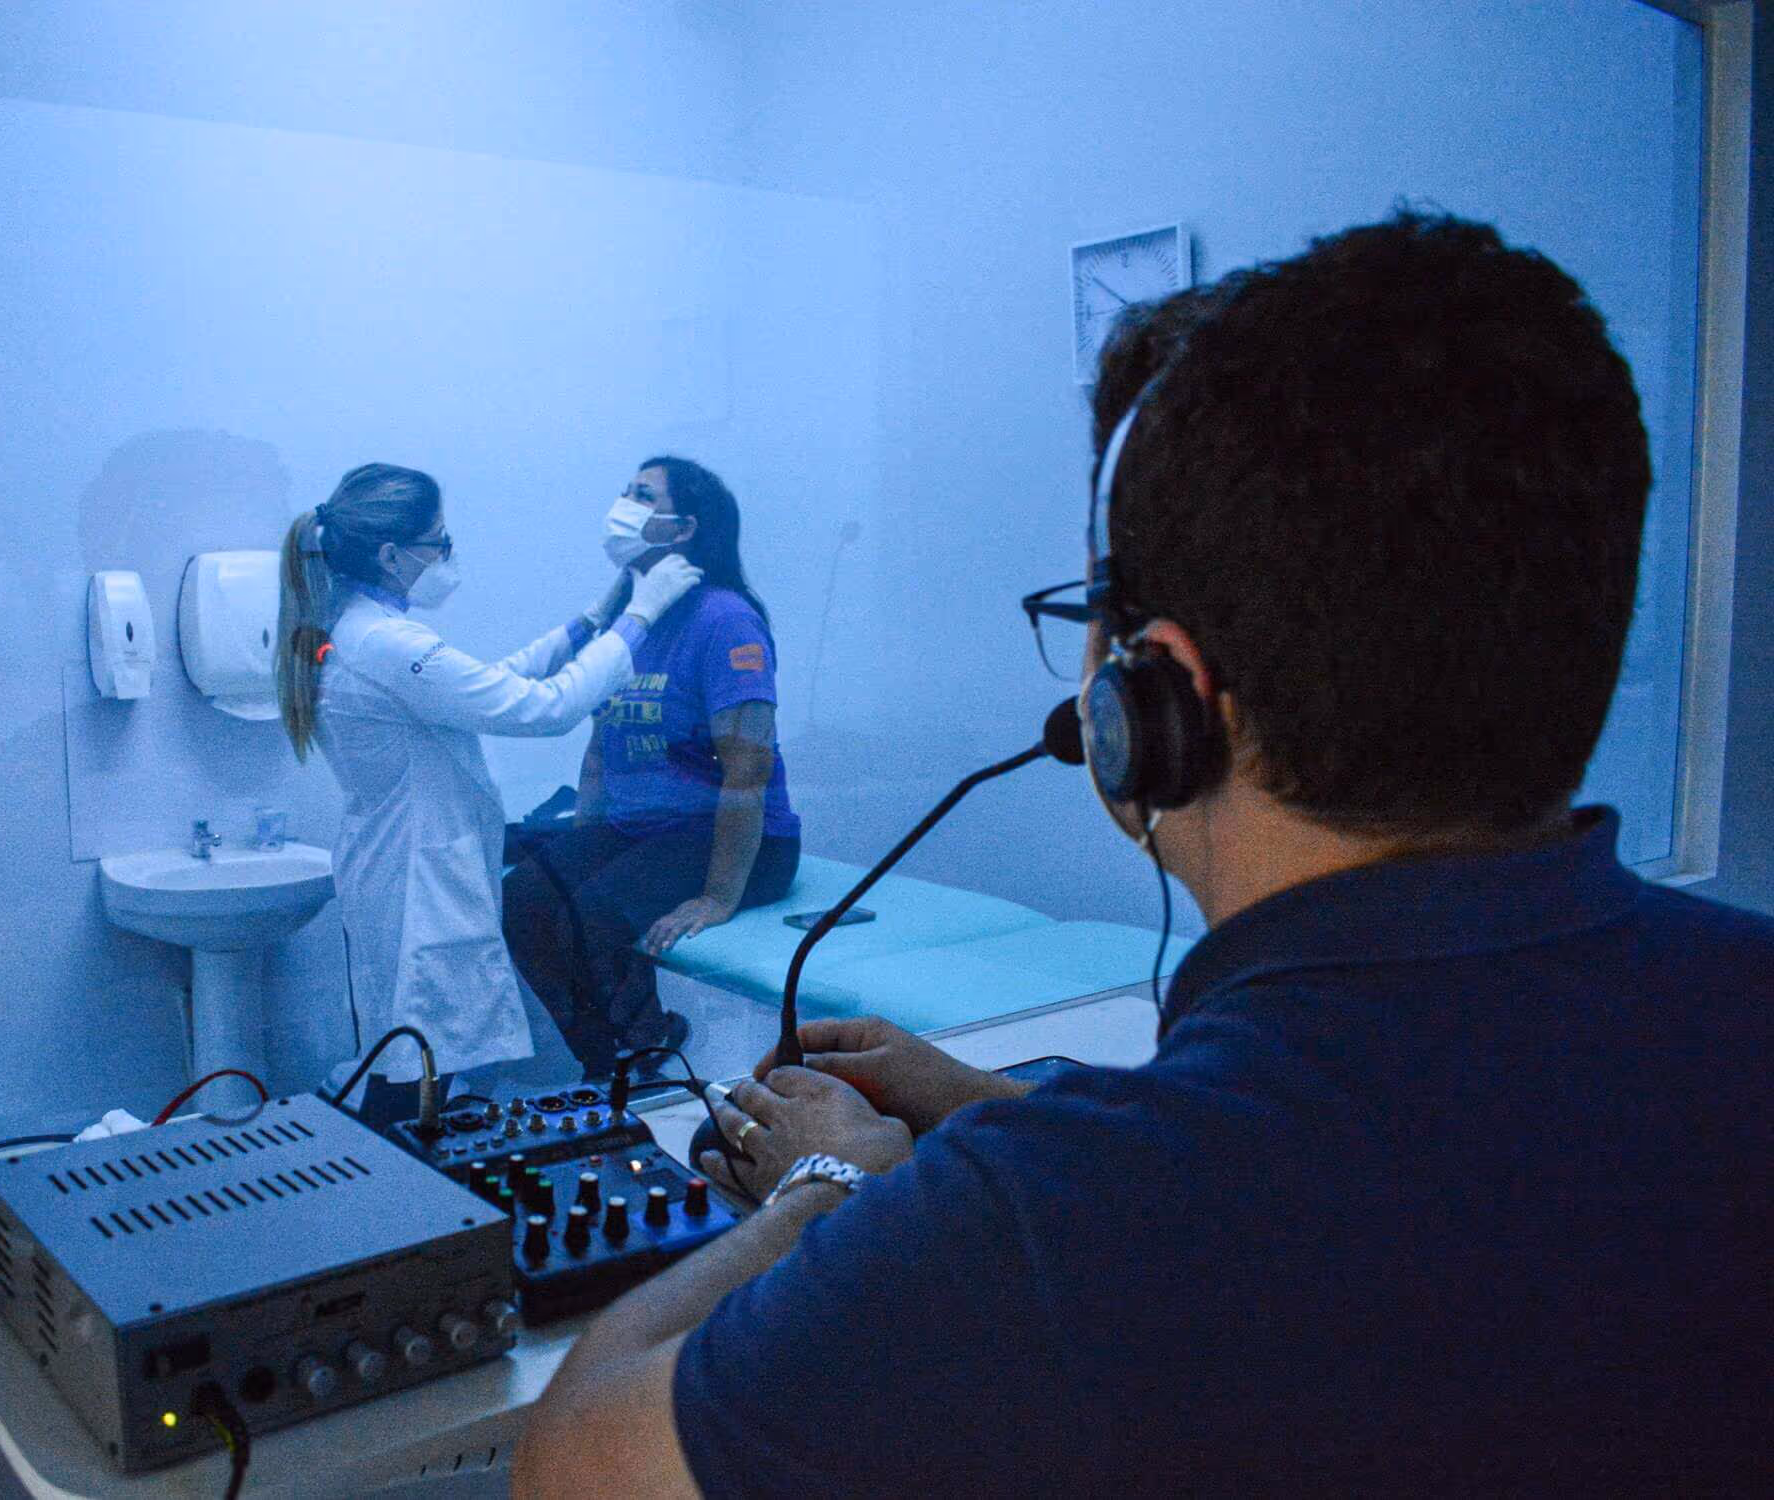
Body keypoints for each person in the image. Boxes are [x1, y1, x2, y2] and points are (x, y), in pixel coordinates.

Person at [513, 214, 1774, 1496]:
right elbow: (1401, 1172)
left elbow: (575, 1464)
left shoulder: (1038, 1243)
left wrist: (834, 1188)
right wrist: (1013, 1113)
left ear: (1149, 700)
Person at [276, 462, 702, 1124]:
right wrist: (640, 617)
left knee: (416, 1056)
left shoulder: (359, 626)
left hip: (402, 863)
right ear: (390, 555)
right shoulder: (386, 642)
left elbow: (483, 684)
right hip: (419, 878)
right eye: (438, 542)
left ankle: (401, 1166)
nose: (447, 556)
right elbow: (543, 708)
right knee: (416, 1065)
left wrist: (589, 623)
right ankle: (393, 1178)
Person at [501, 457, 802, 1081]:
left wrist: (719, 896)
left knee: (594, 917)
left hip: (737, 839)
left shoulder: (725, 620)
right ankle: (604, 1058)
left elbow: (748, 768)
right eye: (625, 492)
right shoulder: (631, 621)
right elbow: (600, 745)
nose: (623, 507)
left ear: (685, 528)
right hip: (642, 829)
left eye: (643, 496)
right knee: (523, 899)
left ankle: (644, 1055)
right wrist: (583, 843)